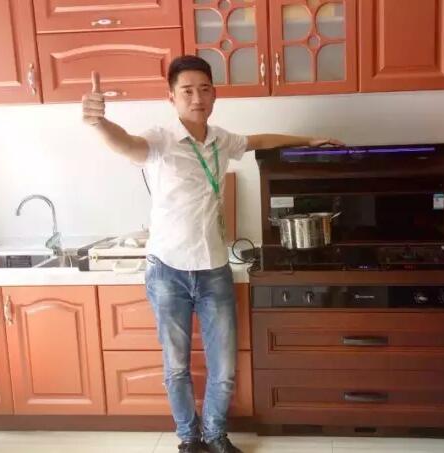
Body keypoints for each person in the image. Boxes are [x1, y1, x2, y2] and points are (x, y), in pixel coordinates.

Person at [81, 55, 341, 453]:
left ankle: (216, 435)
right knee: (176, 366)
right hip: (168, 271)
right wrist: (100, 123)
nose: (197, 98)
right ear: (171, 97)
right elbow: (128, 144)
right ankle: (189, 439)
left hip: (215, 270)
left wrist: (306, 141)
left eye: (204, 89)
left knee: (224, 366)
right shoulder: (159, 140)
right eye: (187, 90)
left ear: (215, 95)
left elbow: (258, 141)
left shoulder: (221, 140)